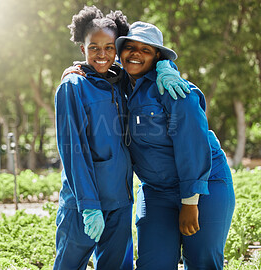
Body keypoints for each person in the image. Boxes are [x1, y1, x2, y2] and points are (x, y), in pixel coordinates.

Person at [54, 6, 188, 270]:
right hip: (83, 205)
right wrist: (89, 206)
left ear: (116, 49)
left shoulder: (121, 80)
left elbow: (148, 61)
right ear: (83, 49)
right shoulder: (73, 86)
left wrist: (166, 67)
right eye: (94, 47)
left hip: (121, 202)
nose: (101, 55)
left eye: (108, 48)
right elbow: (73, 152)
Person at [115, 21, 235, 269]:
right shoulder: (118, 85)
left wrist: (190, 202)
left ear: (157, 56)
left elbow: (192, 144)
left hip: (204, 186)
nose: (136, 53)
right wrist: (76, 69)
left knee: (203, 262)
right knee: (153, 263)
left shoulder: (172, 88)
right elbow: (96, 64)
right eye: (130, 47)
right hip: (156, 190)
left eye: (145, 50)